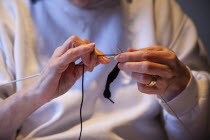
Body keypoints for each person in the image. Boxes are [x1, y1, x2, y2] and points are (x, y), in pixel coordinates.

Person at [0, 0, 209, 139]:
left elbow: (200, 132)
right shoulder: (7, 11)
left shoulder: (158, 8)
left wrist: (180, 90)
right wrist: (34, 95)